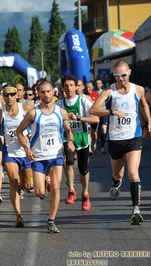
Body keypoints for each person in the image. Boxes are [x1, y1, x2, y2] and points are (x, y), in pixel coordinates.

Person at [90, 60, 151, 225]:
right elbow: (93, 109)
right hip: (116, 138)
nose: (120, 79)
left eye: (123, 75)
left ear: (129, 73)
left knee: (133, 172)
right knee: (118, 174)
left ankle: (136, 210)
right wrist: (111, 111)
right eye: (117, 76)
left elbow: (144, 106)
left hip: (134, 137)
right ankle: (116, 183)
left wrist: (148, 124)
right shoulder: (110, 91)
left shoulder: (138, 89)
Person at [16, 80, 75, 233]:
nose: (46, 95)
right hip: (39, 156)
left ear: (53, 92)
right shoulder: (33, 113)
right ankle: (44, 186)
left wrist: (70, 142)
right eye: (43, 92)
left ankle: (51, 220)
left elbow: (69, 131)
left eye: (48, 91)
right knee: (39, 192)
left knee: (56, 188)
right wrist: (27, 149)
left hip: (55, 155)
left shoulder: (61, 112)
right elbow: (19, 131)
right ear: (39, 94)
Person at [57, 75, 99, 211]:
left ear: (76, 87)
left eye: (71, 85)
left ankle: (85, 193)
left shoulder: (83, 101)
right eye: (66, 86)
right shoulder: (59, 104)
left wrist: (79, 118)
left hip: (82, 139)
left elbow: (95, 119)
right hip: (66, 138)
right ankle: (71, 190)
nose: (69, 88)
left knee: (83, 169)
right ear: (62, 88)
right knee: (68, 162)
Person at [0, 84, 32, 227]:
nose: (9, 97)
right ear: (2, 96)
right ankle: (18, 215)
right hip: (10, 152)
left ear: (17, 95)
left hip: (25, 152)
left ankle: (24, 186)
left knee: (27, 184)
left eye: (12, 94)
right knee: (13, 181)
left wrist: (31, 138)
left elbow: (36, 124)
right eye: (6, 94)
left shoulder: (26, 109)